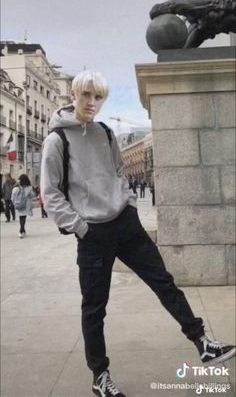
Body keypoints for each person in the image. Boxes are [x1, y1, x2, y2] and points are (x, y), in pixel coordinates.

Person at [41, 71, 235, 397]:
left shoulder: (105, 132)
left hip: (126, 225)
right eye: (86, 95)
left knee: (164, 282)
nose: (92, 103)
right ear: (73, 95)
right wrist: (82, 227)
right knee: (94, 308)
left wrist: (128, 204)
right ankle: (100, 376)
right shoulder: (56, 140)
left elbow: (118, 171)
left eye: (98, 97)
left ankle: (202, 343)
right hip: (93, 236)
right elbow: (50, 193)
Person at [11, 174, 34, 238]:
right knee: (23, 218)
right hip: (26, 205)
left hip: (18, 204)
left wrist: (14, 203)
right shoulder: (29, 188)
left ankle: (22, 230)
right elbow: (32, 195)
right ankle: (21, 231)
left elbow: (13, 197)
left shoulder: (16, 188)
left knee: (21, 218)